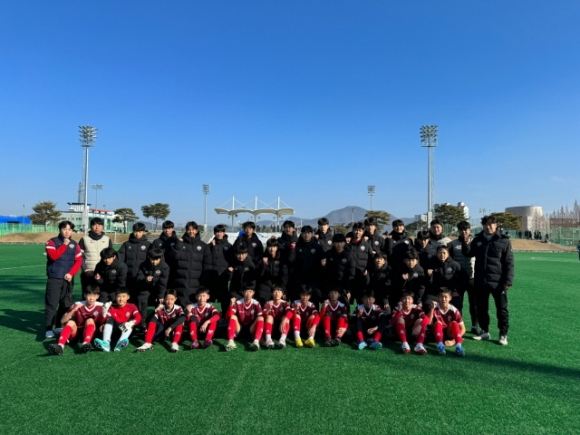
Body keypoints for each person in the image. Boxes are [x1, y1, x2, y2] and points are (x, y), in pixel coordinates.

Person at [462, 215, 514, 345]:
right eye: (485, 224)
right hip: (481, 281)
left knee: (501, 309)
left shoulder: (504, 241)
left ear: (496, 225)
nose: (488, 227)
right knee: (481, 308)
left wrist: (508, 280)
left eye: (491, 224)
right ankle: (485, 331)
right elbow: (469, 253)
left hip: (498, 282)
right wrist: (466, 244)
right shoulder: (478, 239)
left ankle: (503, 334)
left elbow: (509, 263)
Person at [44, 220, 83, 338]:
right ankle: (48, 328)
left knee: (64, 304)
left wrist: (71, 274)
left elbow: (78, 261)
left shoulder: (75, 244)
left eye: (69, 229)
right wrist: (64, 245)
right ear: (60, 229)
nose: (67, 232)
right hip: (55, 278)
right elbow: (53, 256)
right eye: (64, 229)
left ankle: (59, 326)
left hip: (68, 280)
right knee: (52, 304)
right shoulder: (51, 242)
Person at [48, 284, 103, 355]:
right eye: (89, 295)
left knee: (90, 320)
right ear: (85, 295)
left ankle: (85, 344)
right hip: (76, 334)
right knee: (71, 322)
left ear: (97, 296)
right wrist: (73, 310)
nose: (91, 298)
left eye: (94, 295)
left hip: (91, 334)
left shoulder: (101, 306)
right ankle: (60, 346)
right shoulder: (77, 304)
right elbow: (62, 321)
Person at [448, 221, 480, 334]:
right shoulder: (452, 244)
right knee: (458, 303)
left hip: (473, 278)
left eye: (466, 229)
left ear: (470, 230)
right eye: (461, 229)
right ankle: (458, 324)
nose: (464, 231)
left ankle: (475, 325)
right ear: (458, 230)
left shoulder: (476, 243)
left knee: (474, 304)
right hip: (459, 279)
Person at [171, 221, 212, 307]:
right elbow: (174, 258)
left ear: (197, 231)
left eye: (193, 229)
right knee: (179, 306)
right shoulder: (180, 243)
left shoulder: (203, 246)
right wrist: (178, 244)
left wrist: (203, 279)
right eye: (189, 229)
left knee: (193, 307)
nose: (191, 231)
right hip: (180, 280)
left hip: (196, 280)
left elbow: (207, 264)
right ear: (186, 230)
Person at [94, 287, 142, 352]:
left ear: (128, 297)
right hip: (114, 332)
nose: (121, 299)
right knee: (109, 319)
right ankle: (106, 343)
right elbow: (102, 321)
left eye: (123, 296)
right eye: (119, 296)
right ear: (115, 297)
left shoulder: (132, 306)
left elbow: (138, 317)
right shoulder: (112, 308)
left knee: (130, 323)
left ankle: (120, 343)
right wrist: (104, 312)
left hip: (126, 331)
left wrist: (131, 323)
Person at [424, 246, 468, 311]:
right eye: (440, 253)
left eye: (444, 253)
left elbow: (465, 279)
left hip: (450, 293)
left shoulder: (454, 265)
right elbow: (427, 282)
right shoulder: (431, 264)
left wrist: (459, 291)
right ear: (436, 254)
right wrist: (429, 275)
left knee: (456, 305)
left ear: (448, 254)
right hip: (435, 294)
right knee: (428, 304)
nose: (442, 255)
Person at [135, 248, 170, 329]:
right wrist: (145, 279)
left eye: (156, 260)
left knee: (160, 302)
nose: (154, 261)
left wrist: (160, 295)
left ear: (160, 258)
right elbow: (139, 277)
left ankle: (158, 322)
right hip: (145, 287)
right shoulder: (144, 264)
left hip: (158, 289)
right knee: (141, 300)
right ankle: (142, 322)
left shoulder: (164, 267)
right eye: (152, 259)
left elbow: (163, 282)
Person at [225, 286, 264, 351]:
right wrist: (231, 305)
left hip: (251, 329)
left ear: (253, 293)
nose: (248, 294)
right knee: (233, 317)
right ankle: (231, 342)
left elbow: (261, 318)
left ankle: (256, 342)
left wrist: (262, 336)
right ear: (242, 293)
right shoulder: (238, 303)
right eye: (246, 292)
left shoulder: (256, 303)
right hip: (240, 329)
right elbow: (228, 317)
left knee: (261, 318)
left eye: (250, 292)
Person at [79, 217, 113, 292]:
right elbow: (80, 256)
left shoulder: (107, 239)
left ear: (103, 227)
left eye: (99, 225)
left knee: (103, 295)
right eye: (94, 225)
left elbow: (111, 256)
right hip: (89, 273)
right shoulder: (84, 239)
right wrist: (85, 270)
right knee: (88, 296)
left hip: (103, 273)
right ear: (91, 226)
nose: (97, 227)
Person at [117, 222, 150, 298]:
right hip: (129, 275)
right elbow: (120, 259)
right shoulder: (126, 244)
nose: (137, 234)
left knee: (140, 297)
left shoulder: (148, 245)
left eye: (139, 232)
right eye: (135, 231)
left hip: (142, 276)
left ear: (143, 232)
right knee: (129, 296)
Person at [391, 290, 430, 354]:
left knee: (420, 320)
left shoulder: (416, 308)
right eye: (405, 298)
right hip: (400, 335)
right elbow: (393, 323)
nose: (407, 301)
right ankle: (404, 344)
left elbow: (427, 319)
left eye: (409, 299)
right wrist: (399, 310)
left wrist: (420, 326)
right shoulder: (397, 309)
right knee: (400, 319)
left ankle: (419, 345)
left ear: (412, 300)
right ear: (401, 300)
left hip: (413, 333)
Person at [292, 226, 324, 302]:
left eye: (309, 233)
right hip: (299, 278)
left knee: (314, 300)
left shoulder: (317, 247)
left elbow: (322, 261)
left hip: (313, 279)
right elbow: (292, 260)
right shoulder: (297, 246)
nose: (306, 235)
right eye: (304, 233)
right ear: (301, 234)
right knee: (298, 301)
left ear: (312, 234)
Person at [431, 288, 466, 357]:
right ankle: (440, 346)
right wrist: (431, 309)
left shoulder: (454, 310)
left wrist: (453, 341)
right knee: (438, 323)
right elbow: (429, 323)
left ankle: (458, 347)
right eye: (441, 297)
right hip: (437, 333)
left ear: (450, 298)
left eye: (445, 297)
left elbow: (463, 329)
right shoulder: (434, 308)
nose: (443, 299)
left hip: (449, 334)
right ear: (438, 297)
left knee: (454, 323)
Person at [346, 222, 373, 303]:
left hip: (362, 276)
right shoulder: (347, 245)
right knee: (347, 301)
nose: (357, 232)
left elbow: (371, 259)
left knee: (361, 300)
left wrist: (368, 269)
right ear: (353, 230)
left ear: (363, 232)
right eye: (356, 230)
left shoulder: (367, 245)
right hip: (349, 276)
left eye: (360, 230)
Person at [208, 224, 233, 313]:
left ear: (224, 233)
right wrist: (212, 247)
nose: (219, 234)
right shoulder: (210, 245)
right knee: (209, 297)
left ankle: (224, 316)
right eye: (217, 232)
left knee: (224, 298)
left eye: (221, 232)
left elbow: (231, 260)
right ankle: (208, 315)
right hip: (212, 275)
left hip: (223, 274)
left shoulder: (229, 246)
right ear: (214, 233)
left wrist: (229, 272)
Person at [256, 239, 289, 305]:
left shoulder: (281, 258)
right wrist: (263, 264)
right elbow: (259, 274)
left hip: (278, 284)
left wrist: (283, 290)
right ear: (267, 247)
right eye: (270, 247)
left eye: (274, 247)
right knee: (264, 302)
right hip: (265, 284)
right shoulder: (262, 257)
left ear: (277, 248)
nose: (272, 249)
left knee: (280, 303)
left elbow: (284, 275)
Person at [262, 284, 293, 349]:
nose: (277, 293)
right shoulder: (268, 303)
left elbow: (290, 312)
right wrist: (268, 309)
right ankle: (268, 339)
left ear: (282, 294)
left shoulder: (285, 303)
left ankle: (282, 339)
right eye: (275, 291)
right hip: (271, 328)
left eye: (279, 291)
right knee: (269, 317)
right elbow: (263, 316)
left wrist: (284, 320)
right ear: (271, 294)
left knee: (286, 317)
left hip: (281, 328)